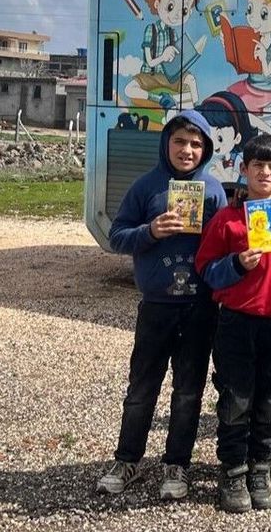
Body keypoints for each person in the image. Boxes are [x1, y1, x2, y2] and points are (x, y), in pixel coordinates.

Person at [96, 110, 226, 499]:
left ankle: (177, 464)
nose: (187, 150)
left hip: (200, 308)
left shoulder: (213, 191)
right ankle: (127, 459)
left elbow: (224, 246)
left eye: (196, 144)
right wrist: (150, 231)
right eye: (180, 141)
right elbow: (116, 236)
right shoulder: (146, 187)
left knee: (188, 391)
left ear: (206, 150)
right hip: (156, 306)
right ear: (166, 143)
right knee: (141, 388)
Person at [196, 134, 271, 513]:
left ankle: (260, 467)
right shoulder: (228, 220)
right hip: (236, 323)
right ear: (244, 169)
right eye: (258, 165)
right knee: (236, 398)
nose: (265, 172)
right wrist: (236, 264)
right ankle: (233, 469)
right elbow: (206, 269)